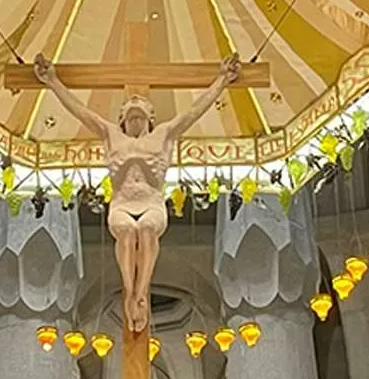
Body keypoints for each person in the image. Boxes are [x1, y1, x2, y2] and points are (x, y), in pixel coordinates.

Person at [32, 51, 241, 332]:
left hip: (151, 202)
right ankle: (129, 291)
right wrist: (53, 81)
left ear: (151, 115)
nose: (134, 103)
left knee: (145, 230)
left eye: (140, 102)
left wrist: (222, 80)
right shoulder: (110, 134)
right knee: (128, 234)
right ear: (120, 115)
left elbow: (194, 112)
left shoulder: (163, 134)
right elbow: (80, 110)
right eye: (130, 102)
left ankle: (141, 293)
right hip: (121, 203)